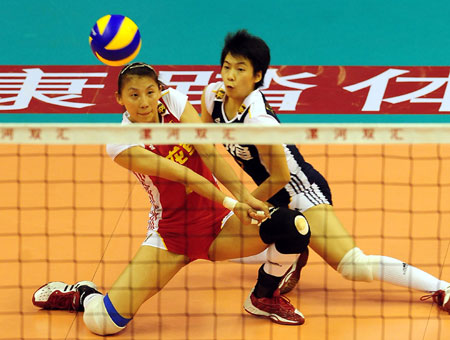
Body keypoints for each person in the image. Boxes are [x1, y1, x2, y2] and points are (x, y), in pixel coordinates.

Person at [31, 62, 312, 335]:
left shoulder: (173, 102)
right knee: (104, 323)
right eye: (134, 95)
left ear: (160, 90)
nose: (144, 102)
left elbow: (209, 153)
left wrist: (242, 198)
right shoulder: (121, 143)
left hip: (218, 223)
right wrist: (233, 203)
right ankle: (83, 295)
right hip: (172, 235)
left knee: (294, 227)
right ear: (119, 99)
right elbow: (186, 176)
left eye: (150, 92)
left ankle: (263, 298)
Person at [200, 29, 450, 314]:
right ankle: (293, 246)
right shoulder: (213, 97)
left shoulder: (258, 120)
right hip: (268, 197)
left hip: (300, 192)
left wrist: (245, 203)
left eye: (240, 69)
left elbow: (281, 177)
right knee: (213, 248)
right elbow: (203, 147)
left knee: (354, 266)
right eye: (227, 67)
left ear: (257, 76)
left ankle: (441, 287)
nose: (230, 75)